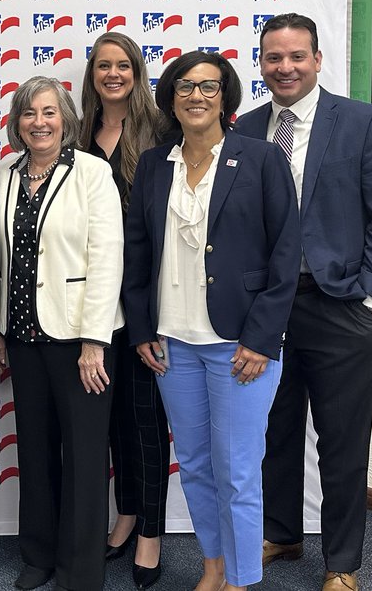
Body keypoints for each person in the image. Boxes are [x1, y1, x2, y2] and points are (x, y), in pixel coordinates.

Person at [235, 13, 372, 591]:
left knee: (342, 443)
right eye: (273, 57)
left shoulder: (365, 123)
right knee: (273, 431)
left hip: (339, 307)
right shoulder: (246, 128)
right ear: (261, 62)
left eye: (296, 57)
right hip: (267, 310)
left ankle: (341, 563)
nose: (284, 68)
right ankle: (282, 532)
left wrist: (369, 295)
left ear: (317, 59)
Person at [122, 50, 300, 591]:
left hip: (239, 344)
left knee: (239, 472)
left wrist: (262, 339)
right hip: (173, 345)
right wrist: (142, 328)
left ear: (226, 98)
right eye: (184, 87)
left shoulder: (262, 159)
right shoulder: (155, 165)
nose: (195, 96)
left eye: (208, 87)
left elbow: (285, 253)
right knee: (197, 467)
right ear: (170, 98)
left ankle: (242, 582)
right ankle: (213, 568)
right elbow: (137, 253)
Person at [0, 76, 125, 591]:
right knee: (36, 451)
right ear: (17, 123)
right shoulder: (7, 173)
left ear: (66, 120)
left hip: (78, 340)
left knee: (85, 458)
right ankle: (38, 555)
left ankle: (79, 570)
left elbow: (107, 258)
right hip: (23, 336)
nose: (39, 122)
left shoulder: (91, 173)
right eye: (28, 113)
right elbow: (4, 261)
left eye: (49, 112)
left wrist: (95, 341)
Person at [76, 33, 170, 587]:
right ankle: (126, 515)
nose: (113, 74)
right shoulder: (81, 132)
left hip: (145, 295)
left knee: (145, 421)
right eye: (103, 66)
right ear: (92, 74)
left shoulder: (159, 130)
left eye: (123, 65)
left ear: (137, 72)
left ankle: (151, 533)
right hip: (90, 302)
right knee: (110, 420)